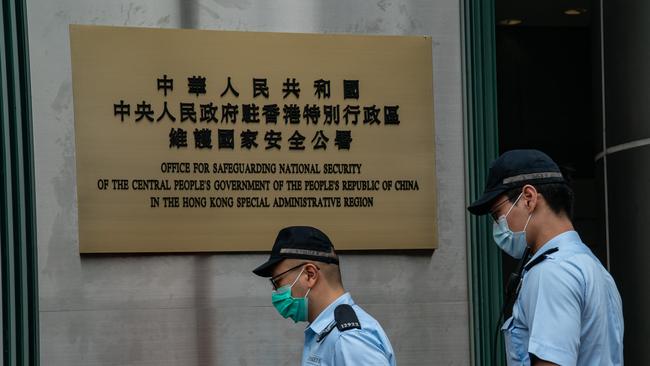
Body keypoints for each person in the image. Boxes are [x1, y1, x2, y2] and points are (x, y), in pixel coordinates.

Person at [467, 149, 624, 366]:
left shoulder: (551, 272)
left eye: (497, 215)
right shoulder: (594, 267)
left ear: (529, 198)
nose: (498, 226)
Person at [253, 226, 396, 366]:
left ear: (310, 275)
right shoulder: (328, 333)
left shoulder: (348, 339)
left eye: (278, 282)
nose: (274, 290)